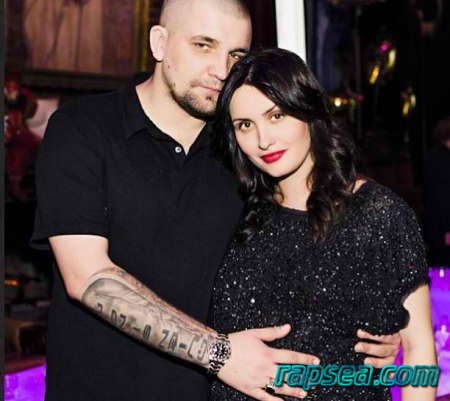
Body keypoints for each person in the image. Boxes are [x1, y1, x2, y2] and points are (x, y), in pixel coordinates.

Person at [31, 1, 400, 400]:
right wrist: (221, 354)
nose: (222, 71)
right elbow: (88, 278)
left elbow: (305, 238)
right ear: (159, 43)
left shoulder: (243, 148)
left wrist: (364, 328)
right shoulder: (84, 128)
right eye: (203, 45)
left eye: (235, 55)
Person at [210, 48, 437, 401]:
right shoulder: (235, 210)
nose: (263, 140)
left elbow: (419, 351)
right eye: (245, 125)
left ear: (307, 110)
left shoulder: (376, 213)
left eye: (276, 116)